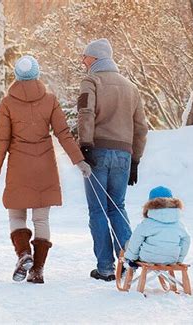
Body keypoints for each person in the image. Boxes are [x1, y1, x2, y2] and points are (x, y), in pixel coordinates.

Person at [0, 55, 91, 284]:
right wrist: (79, 161)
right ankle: (38, 270)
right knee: (41, 218)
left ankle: (24, 253)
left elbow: (1, 140)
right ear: (37, 74)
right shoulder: (50, 100)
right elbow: (63, 133)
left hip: (19, 167)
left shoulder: (8, 103)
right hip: (44, 166)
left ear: (16, 75)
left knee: (16, 214)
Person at [78, 38, 148, 281]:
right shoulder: (131, 87)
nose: (82, 61)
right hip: (124, 155)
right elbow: (141, 127)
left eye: (85, 56)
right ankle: (130, 260)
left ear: (95, 58)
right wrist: (135, 160)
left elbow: (85, 112)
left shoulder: (91, 81)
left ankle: (106, 268)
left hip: (97, 151)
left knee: (97, 209)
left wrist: (84, 145)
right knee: (116, 206)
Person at [124, 186, 191, 266]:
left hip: (148, 258)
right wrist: (179, 259)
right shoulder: (178, 224)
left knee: (129, 243)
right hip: (171, 259)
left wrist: (131, 258)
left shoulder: (147, 223)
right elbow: (186, 240)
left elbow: (136, 239)